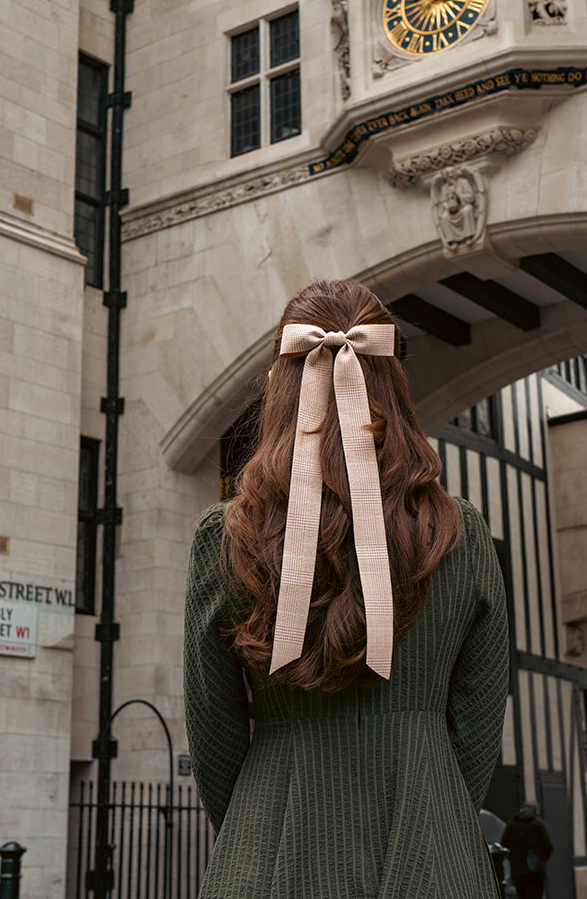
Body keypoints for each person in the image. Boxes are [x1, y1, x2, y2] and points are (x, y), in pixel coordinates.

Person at [184, 279, 510, 898]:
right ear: (394, 383)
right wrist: (430, 807)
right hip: (430, 848)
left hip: (267, 846)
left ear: (281, 388)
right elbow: (476, 728)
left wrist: (256, 828)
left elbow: (216, 736)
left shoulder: (227, 537)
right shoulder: (459, 533)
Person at [501, 801, 553, 899]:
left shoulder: (512, 824)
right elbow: (548, 846)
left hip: (517, 871)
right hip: (535, 871)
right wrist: (541, 860)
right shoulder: (538, 824)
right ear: (535, 811)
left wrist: (513, 859)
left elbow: (504, 846)